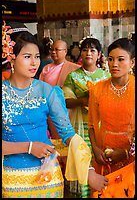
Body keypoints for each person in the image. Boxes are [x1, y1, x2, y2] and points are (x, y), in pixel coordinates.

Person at [2, 21, 108, 198]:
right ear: (12, 57)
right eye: (27, 56)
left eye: (37, 56)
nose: (34, 63)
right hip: (12, 179)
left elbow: (68, 133)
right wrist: (28, 147)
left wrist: (88, 171)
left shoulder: (47, 91)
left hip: (48, 176)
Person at [62, 37, 111, 198]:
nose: (88, 53)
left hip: (102, 126)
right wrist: (84, 99)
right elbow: (66, 101)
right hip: (81, 126)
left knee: (103, 162)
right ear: (80, 53)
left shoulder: (106, 76)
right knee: (84, 162)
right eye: (85, 50)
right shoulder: (73, 76)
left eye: (92, 50)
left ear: (99, 55)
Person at [88, 37, 135, 197]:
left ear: (132, 62)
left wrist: (127, 152)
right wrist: (95, 150)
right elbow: (92, 126)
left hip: (131, 160)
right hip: (103, 157)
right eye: (111, 59)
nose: (114, 64)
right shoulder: (98, 89)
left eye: (121, 59)